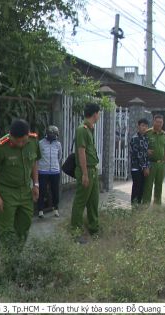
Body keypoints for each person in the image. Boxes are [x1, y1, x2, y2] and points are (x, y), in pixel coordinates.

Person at [0, 119, 40, 259]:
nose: (19, 144)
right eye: (16, 141)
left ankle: (16, 255)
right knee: (6, 229)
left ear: (28, 135)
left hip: (25, 190)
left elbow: (34, 162)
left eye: (23, 141)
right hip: (7, 192)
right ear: (10, 136)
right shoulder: (0, 146)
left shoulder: (33, 141)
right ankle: (7, 262)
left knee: (25, 224)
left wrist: (36, 184)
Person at [71, 103, 101, 242]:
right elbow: (81, 152)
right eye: (98, 113)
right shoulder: (82, 130)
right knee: (80, 201)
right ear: (95, 114)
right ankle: (76, 232)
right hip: (86, 170)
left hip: (93, 169)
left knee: (93, 201)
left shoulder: (89, 129)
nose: (99, 116)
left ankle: (94, 228)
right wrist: (84, 174)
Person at [142, 114, 165, 206]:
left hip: (161, 164)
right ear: (153, 122)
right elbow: (141, 147)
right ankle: (145, 206)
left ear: (163, 123)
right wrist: (145, 151)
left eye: (161, 122)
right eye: (157, 122)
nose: (159, 124)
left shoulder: (164, 135)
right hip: (150, 164)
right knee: (148, 186)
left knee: (159, 185)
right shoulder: (147, 133)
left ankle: (157, 206)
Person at [37, 125, 62, 218]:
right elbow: (38, 157)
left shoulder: (58, 144)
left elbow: (59, 156)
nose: (54, 137)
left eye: (55, 135)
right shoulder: (40, 143)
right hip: (43, 171)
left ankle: (55, 209)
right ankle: (40, 210)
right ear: (47, 134)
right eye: (52, 135)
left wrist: (55, 165)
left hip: (55, 171)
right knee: (42, 191)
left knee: (55, 191)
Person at [130, 118, 150, 205]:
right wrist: (145, 167)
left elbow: (147, 155)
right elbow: (138, 155)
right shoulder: (135, 139)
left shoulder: (146, 138)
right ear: (138, 127)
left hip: (144, 168)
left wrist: (147, 166)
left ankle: (138, 206)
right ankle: (134, 207)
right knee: (136, 188)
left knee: (142, 188)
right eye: (142, 126)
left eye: (146, 126)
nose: (144, 128)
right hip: (136, 168)